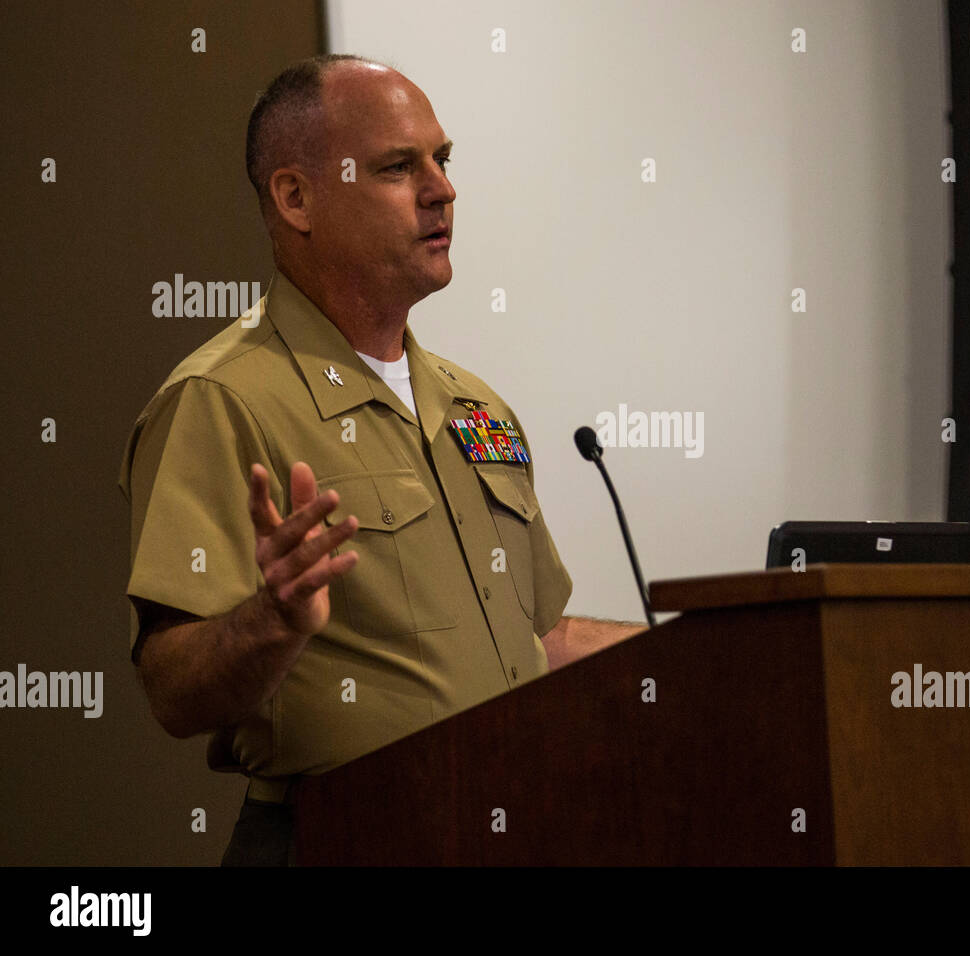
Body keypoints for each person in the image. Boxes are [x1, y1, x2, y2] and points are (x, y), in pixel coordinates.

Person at [117, 54, 643, 865]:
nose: (442, 189)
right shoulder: (222, 399)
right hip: (342, 838)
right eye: (399, 167)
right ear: (295, 198)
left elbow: (541, 638)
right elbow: (172, 687)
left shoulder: (476, 407)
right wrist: (274, 622)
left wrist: (692, 654)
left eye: (444, 159)